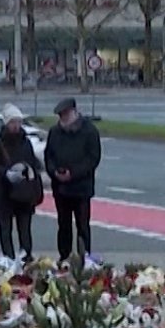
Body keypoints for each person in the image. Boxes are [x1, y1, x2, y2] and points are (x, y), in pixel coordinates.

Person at [45, 97, 102, 263]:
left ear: (74, 112)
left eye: (65, 115)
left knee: (82, 225)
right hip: (61, 188)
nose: (63, 119)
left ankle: (85, 258)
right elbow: (49, 156)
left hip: (81, 187)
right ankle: (64, 256)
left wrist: (74, 173)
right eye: (61, 116)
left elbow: (93, 158)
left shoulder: (89, 131)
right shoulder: (55, 132)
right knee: (63, 225)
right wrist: (54, 172)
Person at [0, 105, 45, 261]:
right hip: (4, 192)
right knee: (5, 230)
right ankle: (9, 259)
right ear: (6, 123)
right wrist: (7, 173)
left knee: (25, 229)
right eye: (13, 122)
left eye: (19, 122)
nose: (16, 126)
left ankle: (26, 258)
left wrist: (30, 171)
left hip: (23, 193)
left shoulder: (25, 142)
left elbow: (32, 162)